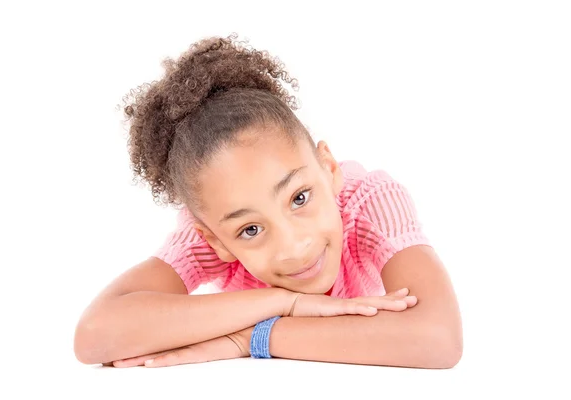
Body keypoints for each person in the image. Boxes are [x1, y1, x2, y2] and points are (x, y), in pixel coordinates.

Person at [73, 33, 463, 369]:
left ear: (327, 167)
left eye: (299, 197)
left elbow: (438, 336)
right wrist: (283, 301)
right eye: (251, 229)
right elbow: (96, 336)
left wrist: (255, 337)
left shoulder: (370, 203)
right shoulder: (210, 230)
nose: (294, 245)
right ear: (215, 241)